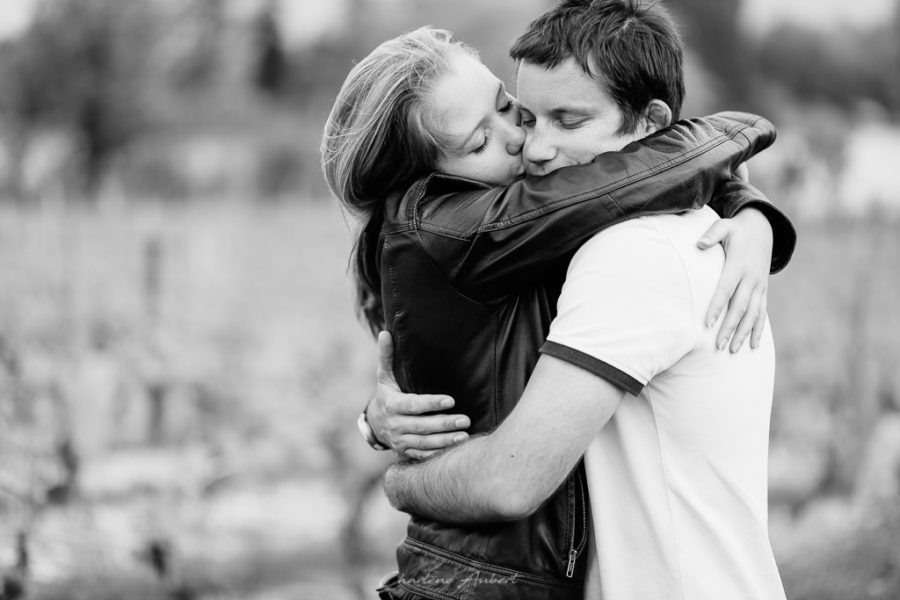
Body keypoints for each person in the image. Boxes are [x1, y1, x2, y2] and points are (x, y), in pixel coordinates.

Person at [322, 13, 795, 600]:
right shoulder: (450, 228)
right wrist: (740, 162)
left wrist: (747, 204)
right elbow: (630, 176)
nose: (526, 140)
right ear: (428, 176)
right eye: (481, 140)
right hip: (477, 579)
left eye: (507, 107)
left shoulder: (632, 250)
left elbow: (627, 181)